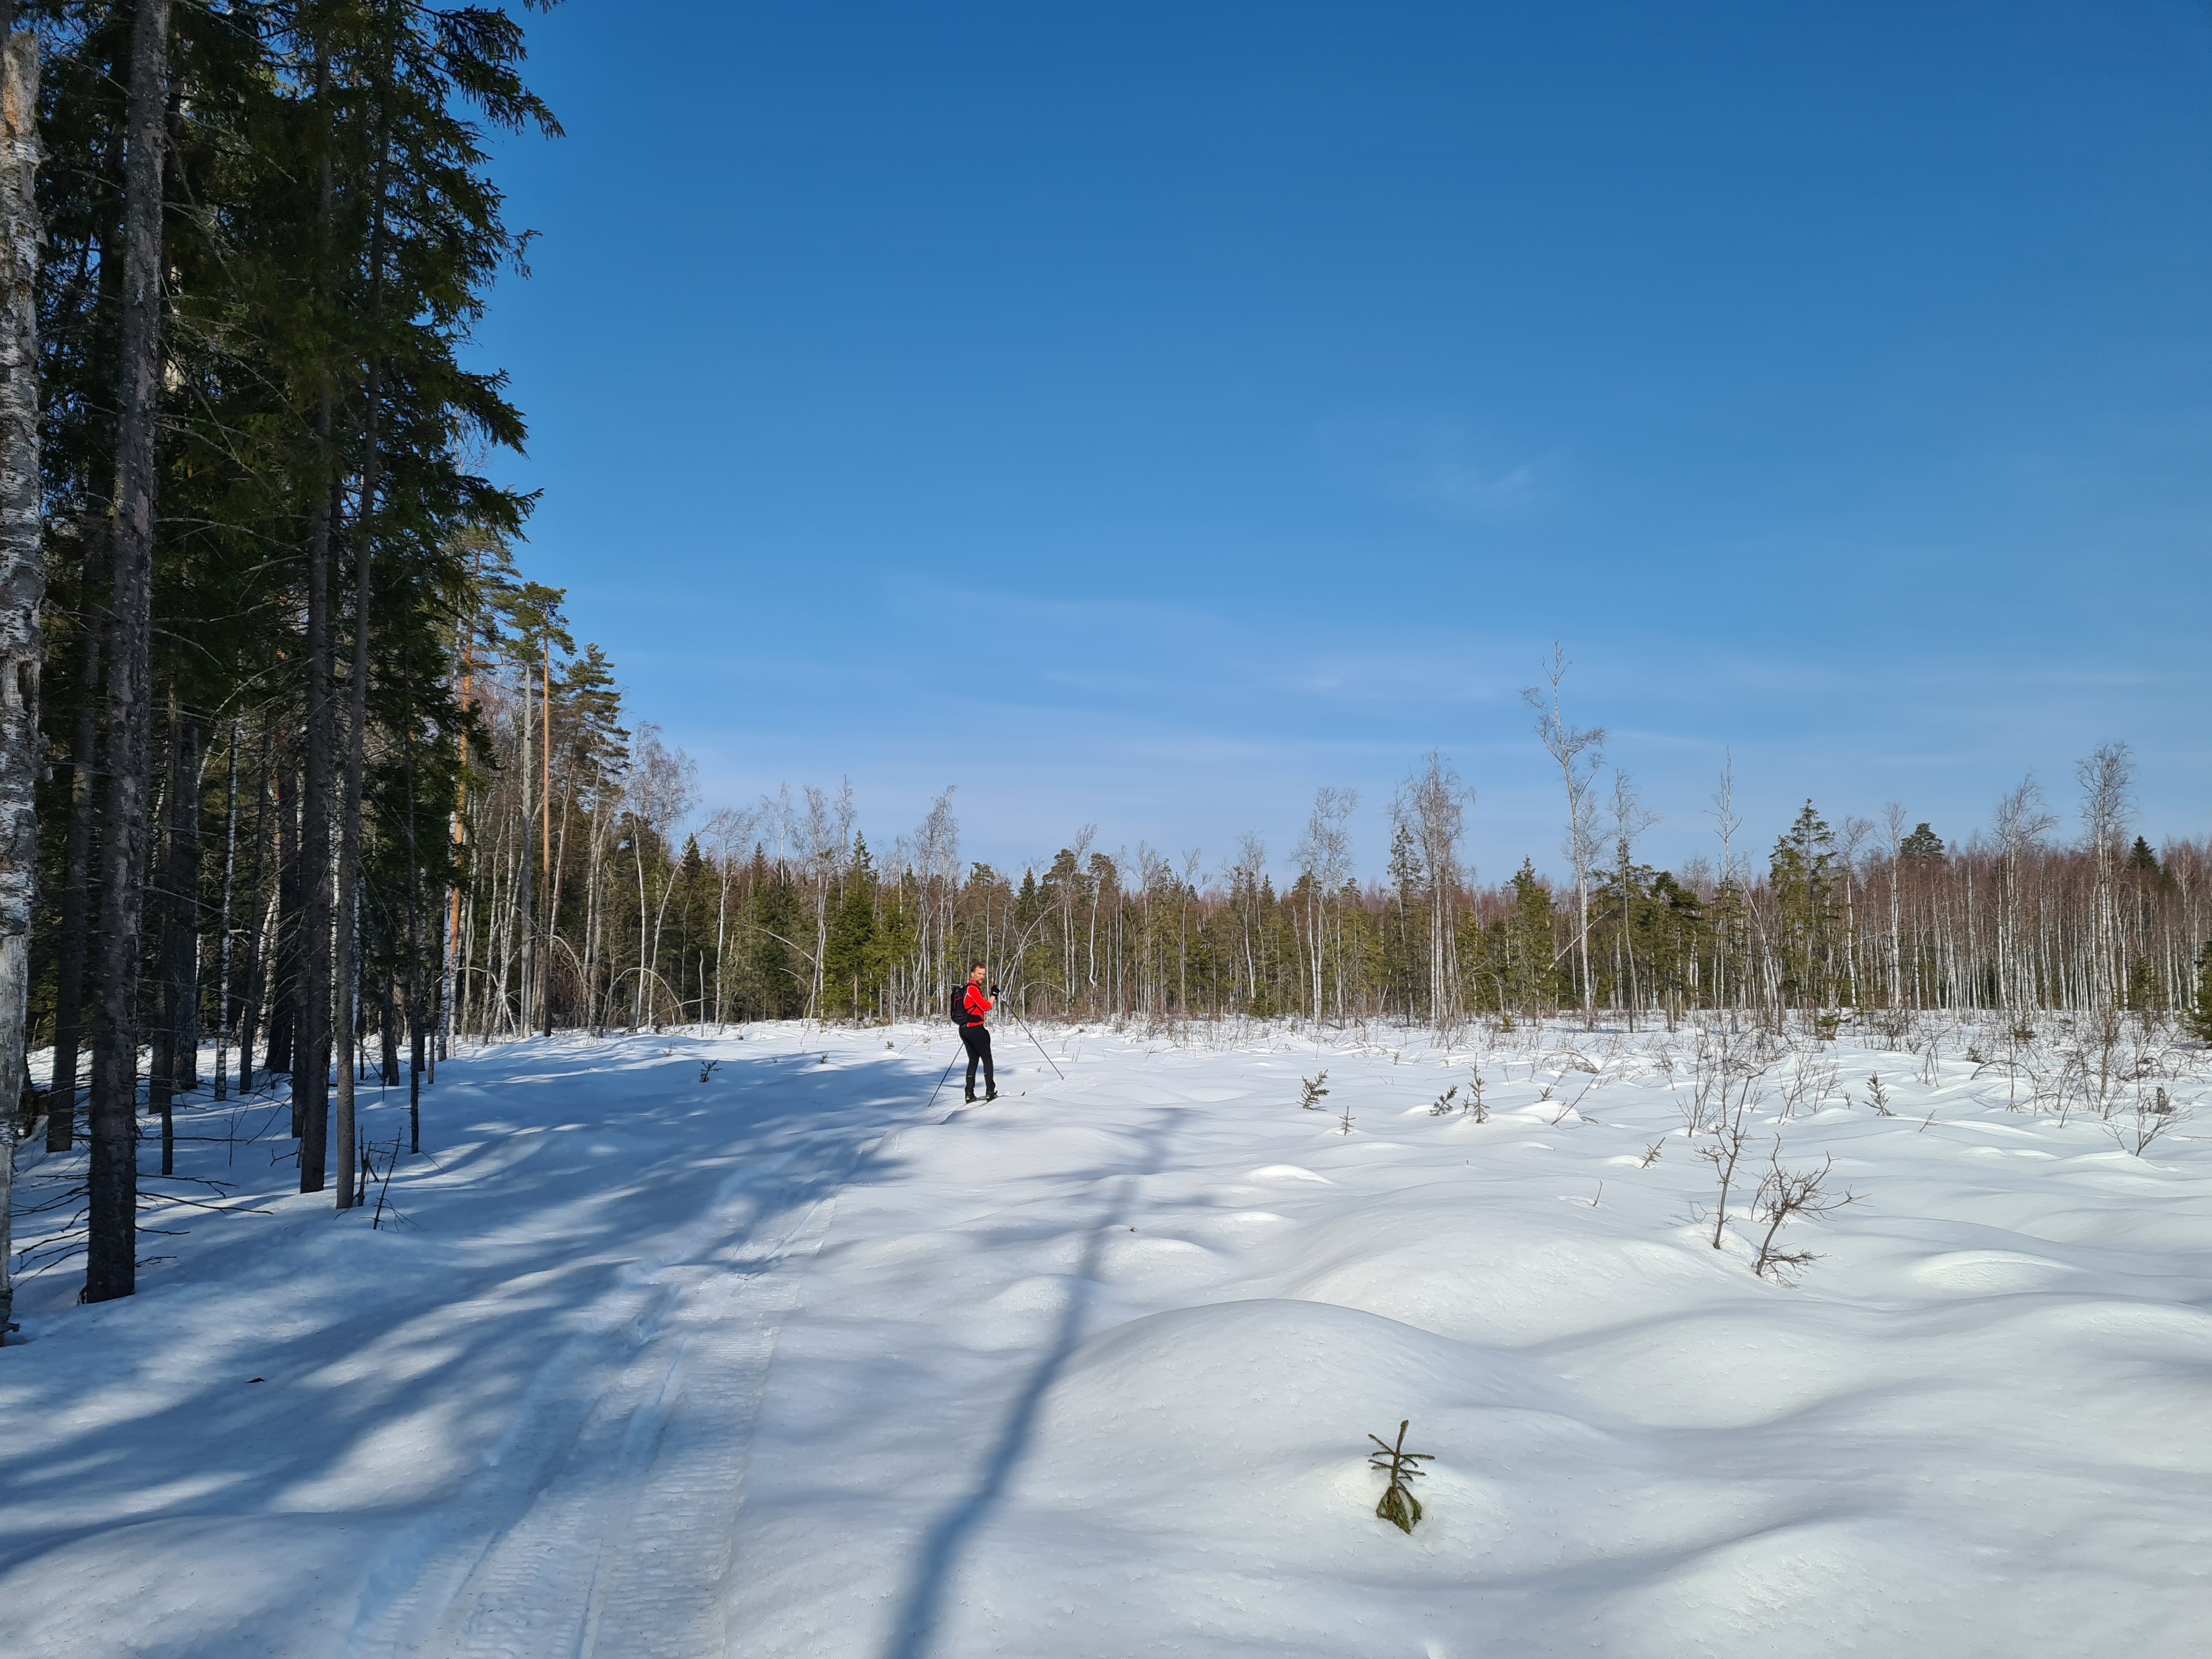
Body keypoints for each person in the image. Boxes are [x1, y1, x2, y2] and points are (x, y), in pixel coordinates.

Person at [951, 961, 998, 1102]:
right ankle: (990, 1092)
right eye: (979, 973)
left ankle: (969, 1093)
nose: (982, 976)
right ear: (972, 974)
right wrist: (994, 996)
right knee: (987, 1059)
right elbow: (986, 1007)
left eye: (983, 974)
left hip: (965, 1029)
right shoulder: (972, 989)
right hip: (975, 1028)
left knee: (973, 1060)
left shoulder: (968, 989)